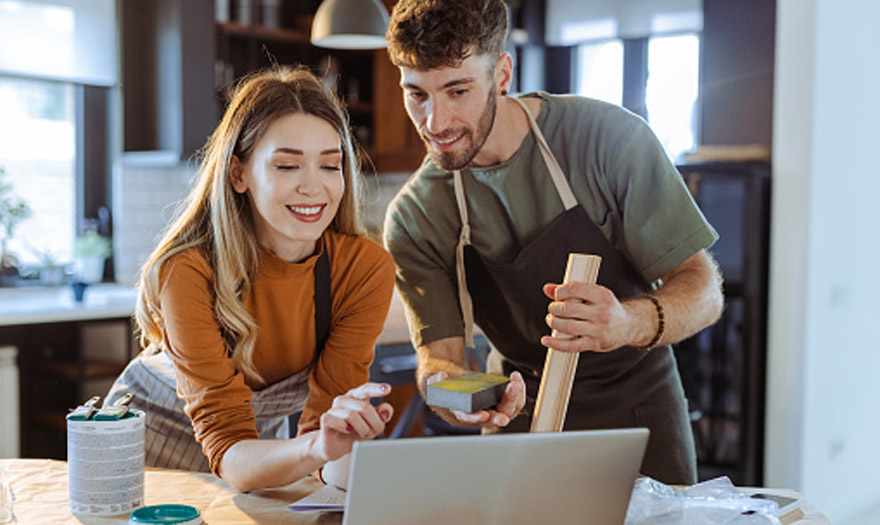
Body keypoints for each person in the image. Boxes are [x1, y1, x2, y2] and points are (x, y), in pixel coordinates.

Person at [382, 0, 724, 485]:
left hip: (639, 414)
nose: (435, 122)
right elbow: (441, 358)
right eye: (416, 95)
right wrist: (450, 393)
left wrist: (626, 321)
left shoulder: (608, 141)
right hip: (518, 415)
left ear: (502, 73)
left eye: (458, 90)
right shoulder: (416, 216)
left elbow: (704, 289)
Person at [104, 66, 396, 492]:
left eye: (330, 166)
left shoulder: (363, 270)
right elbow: (230, 446)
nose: (313, 188)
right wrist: (317, 448)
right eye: (287, 166)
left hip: (257, 451)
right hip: (145, 445)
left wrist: (341, 445)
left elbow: (320, 447)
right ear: (239, 174)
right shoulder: (188, 272)